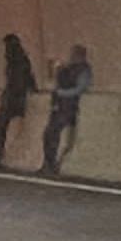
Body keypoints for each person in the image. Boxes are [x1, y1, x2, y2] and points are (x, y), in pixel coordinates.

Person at [42, 45, 92, 175]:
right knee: (49, 133)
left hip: (69, 107)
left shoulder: (83, 70)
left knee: (53, 132)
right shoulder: (68, 69)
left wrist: (61, 93)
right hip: (61, 106)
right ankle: (49, 162)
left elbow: (79, 89)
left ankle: (51, 163)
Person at [0, 34, 36, 168]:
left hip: (14, 100)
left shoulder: (17, 62)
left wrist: (9, 97)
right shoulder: (18, 61)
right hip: (13, 98)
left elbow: (18, 83)